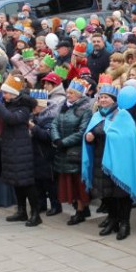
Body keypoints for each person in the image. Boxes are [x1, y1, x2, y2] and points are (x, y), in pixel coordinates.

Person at [81, 80, 136, 240]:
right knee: (107, 194)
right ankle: (113, 220)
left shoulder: (122, 115)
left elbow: (126, 137)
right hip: (101, 160)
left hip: (119, 162)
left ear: (114, 100)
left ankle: (125, 223)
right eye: (100, 97)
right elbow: (91, 133)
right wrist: (88, 137)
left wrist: (100, 132)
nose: (102, 100)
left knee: (121, 194)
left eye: (106, 97)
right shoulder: (97, 115)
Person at [0, 74, 41, 227]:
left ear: (13, 93)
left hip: (21, 148)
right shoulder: (7, 103)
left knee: (27, 183)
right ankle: (21, 210)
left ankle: (35, 214)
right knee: (16, 181)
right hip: (10, 147)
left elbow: (11, 119)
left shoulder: (24, 107)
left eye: (6, 93)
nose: (3, 95)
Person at [51, 79, 93, 225]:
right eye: (68, 92)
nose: (68, 95)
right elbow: (55, 123)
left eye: (71, 93)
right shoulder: (64, 106)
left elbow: (82, 131)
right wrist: (56, 139)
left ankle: (81, 210)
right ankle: (78, 207)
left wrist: (64, 142)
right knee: (68, 182)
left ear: (79, 95)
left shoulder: (85, 109)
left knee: (77, 183)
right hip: (62, 150)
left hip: (75, 151)